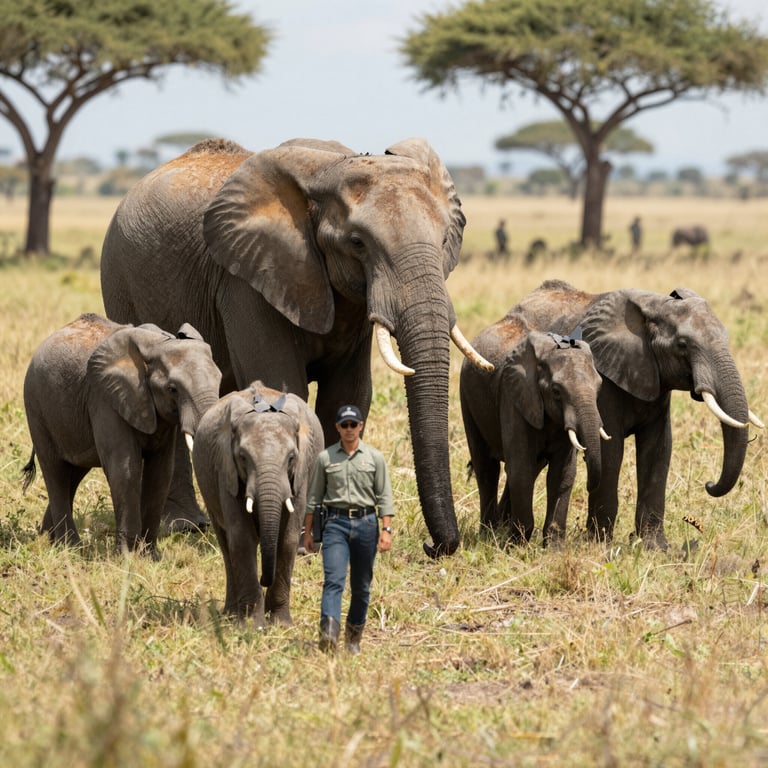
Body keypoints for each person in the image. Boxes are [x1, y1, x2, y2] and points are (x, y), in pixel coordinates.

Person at [303, 404, 394, 655]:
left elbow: (385, 497)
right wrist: (308, 533)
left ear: (361, 426)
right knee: (333, 580)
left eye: (354, 424)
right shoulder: (325, 458)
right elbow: (313, 499)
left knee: (362, 585)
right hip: (335, 525)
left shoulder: (374, 458)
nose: (349, 429)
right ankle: (329, 634)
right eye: (345, 425)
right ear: (337, 428)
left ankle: (353, 638)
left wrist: (386, 530)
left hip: (366, 525)